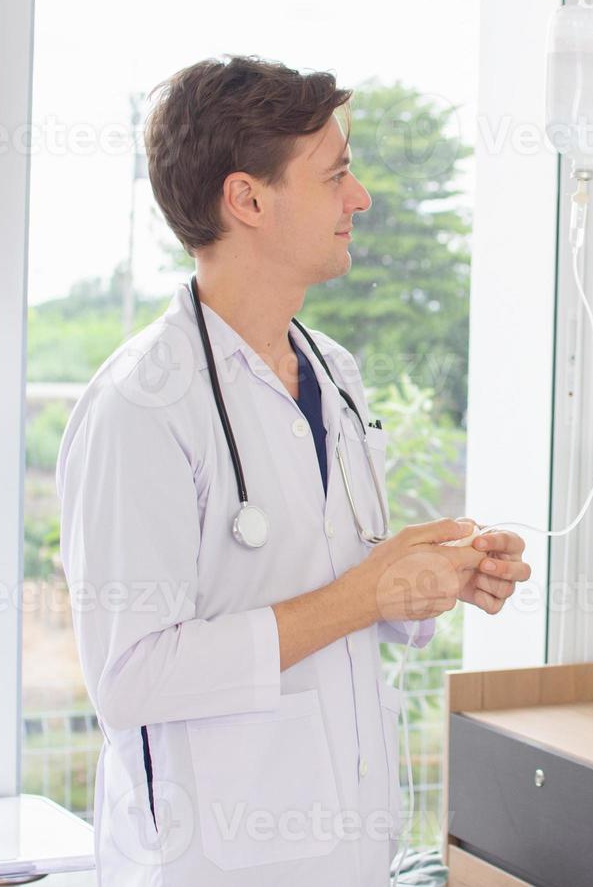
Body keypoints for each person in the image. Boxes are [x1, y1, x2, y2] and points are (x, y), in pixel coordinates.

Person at [55, 55, 530, 886]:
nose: (361, 197)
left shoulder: (334, 374)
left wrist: (426, 572)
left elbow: (335, 586)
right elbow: (131, 678)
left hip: (346, 850)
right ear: (248, 200)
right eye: (336, 175)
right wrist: (366, 594)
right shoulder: (143, 404)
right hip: (213, 862)